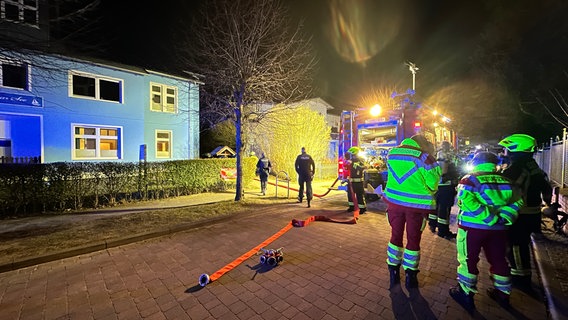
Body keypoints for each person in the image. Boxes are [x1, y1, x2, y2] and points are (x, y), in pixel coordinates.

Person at [448, 152, 524, 313]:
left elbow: (465, 200)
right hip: (499, 230)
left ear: (475, 162)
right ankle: (503, 294)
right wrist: (503, 217)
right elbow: (519, 200)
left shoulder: (469, 179)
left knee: (468, 260)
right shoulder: (506, 181)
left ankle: (466, 294)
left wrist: (488, 218)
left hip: (472, 229)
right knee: (499, 260)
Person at [384, 135, 442, 289]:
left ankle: (393, 272)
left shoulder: (392, 153)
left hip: (394, 203)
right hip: (416, 207)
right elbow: (433, 183)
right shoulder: (426, 158)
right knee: (413, 239)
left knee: (395, 236)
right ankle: (410, 276)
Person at [498, 134, 553, 290]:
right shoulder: (532, 166)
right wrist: (547, 203)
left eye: (507, 148)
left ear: (516, 150)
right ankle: (521, 273)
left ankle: (520, 279)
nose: (504, 151)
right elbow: (546, 188)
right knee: (522, 245)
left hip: (519, 214)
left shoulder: (516, 168)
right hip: (531, 213)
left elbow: (503, 187)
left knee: (516, 245)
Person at [429, 140, 460, 239]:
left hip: (439, 185)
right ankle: (443, 231)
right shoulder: (443, 154)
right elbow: (443, 171)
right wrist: (451, 176)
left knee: (437, 207)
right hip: (445, 186)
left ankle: (433, 225)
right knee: (444, 209)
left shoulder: (436, 154)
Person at [345, 146, 367, 214]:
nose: (349, 156)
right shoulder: (350, 161)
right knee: (350, 195)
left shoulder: (361, 160)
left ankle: (362, 208)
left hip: (358, 182)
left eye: (350, 154)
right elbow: (346, 169)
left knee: (359, 195)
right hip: (351, 182)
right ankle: (351, 207)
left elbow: (362, 167)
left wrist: (352, 164)